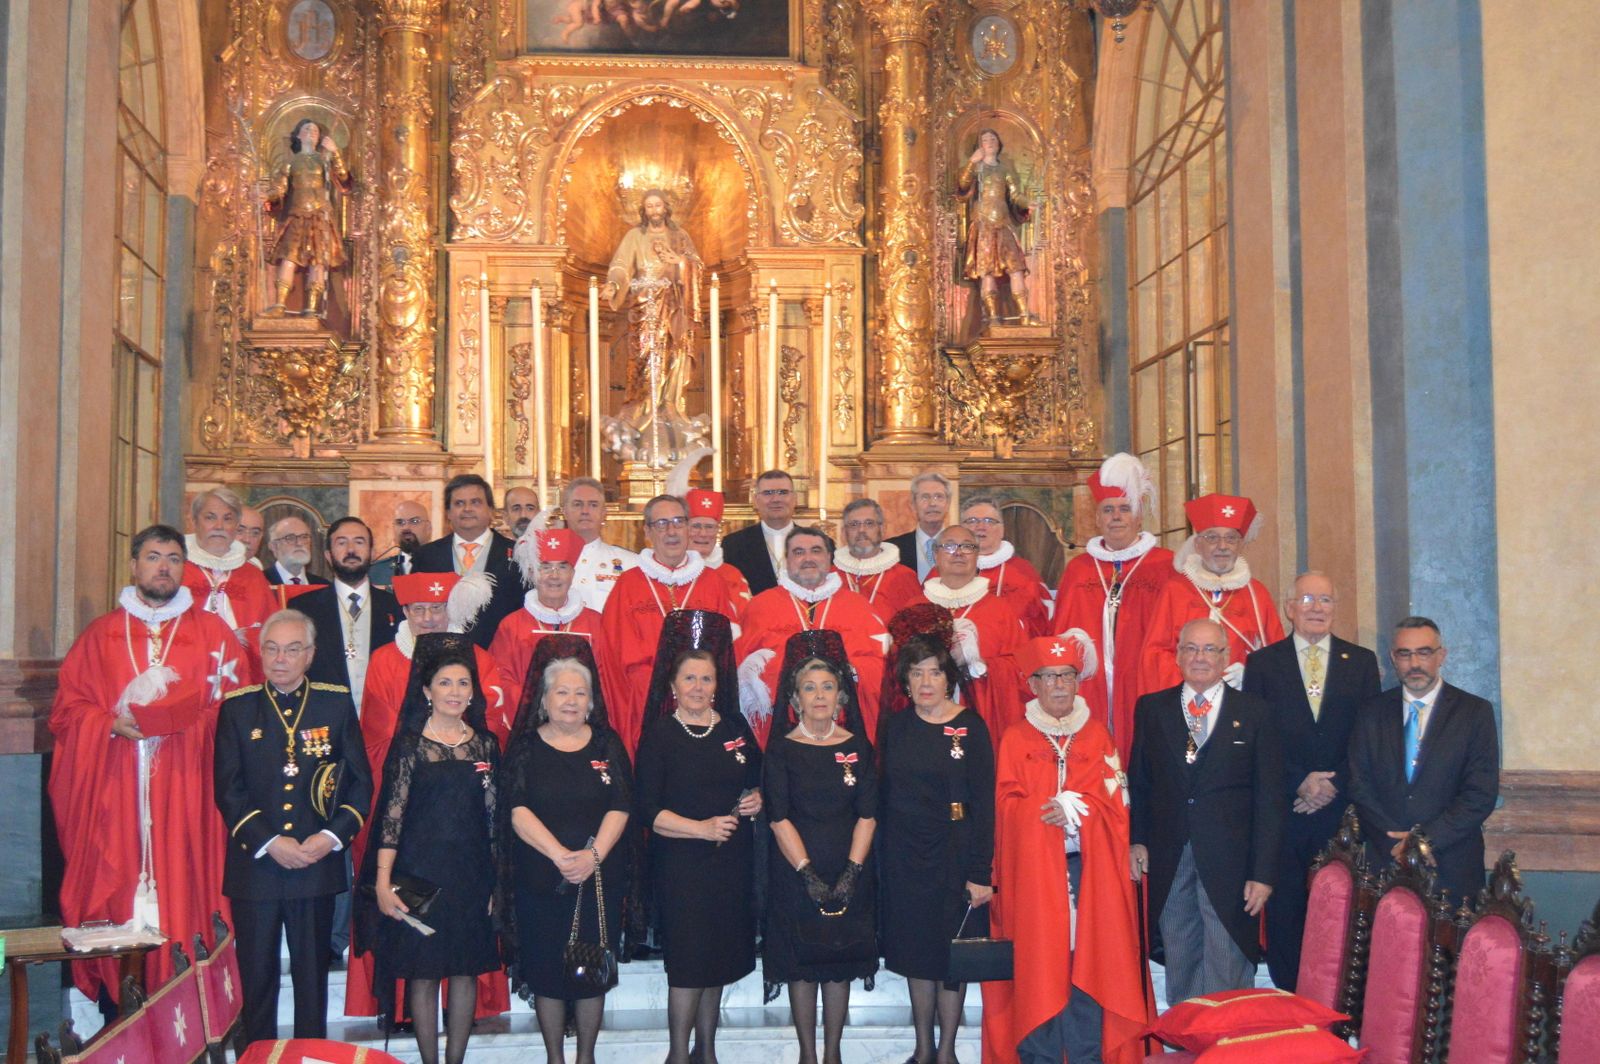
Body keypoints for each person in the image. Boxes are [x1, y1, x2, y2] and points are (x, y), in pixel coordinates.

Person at [48, 525, 245, 1006]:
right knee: (114, 880)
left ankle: (190, 1000)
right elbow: (67, 712)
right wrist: (110, 724)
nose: (163, 567)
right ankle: (121, 999)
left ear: (185, 568)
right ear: (134, 565)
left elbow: (239, 710)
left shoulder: (212, 634)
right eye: (154, 557)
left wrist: (186, 721)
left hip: (187, 788)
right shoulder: (100, 635)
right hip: (115, 790)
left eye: (174, 558)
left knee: (187, 886)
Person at [344, 575, 516, 1023]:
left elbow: (492, 726)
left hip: (468, 838)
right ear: (404, 612)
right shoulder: (385, 660)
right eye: (417, 609)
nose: (427, 618)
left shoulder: (477, 658)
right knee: (417, 954)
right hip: (410, 823)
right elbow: (377, 738)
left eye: (435, 609)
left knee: (462, 953)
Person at [983, 633, 1151, 1064]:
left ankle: (1086, 1055)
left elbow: (1117, 805)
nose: (1059, 684)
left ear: (1079, 682)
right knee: (1039, 972)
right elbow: (1005, 808)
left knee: (1088, 969)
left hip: (1089, 874)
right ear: (1033, 684)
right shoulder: (1017, 739)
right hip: (1036, 879)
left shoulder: (1097, 737)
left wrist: (1084, 814)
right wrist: (1045, 813)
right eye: (1050, 676)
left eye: (1068, 676)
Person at [215, 609, 372, 1042]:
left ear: (310, 655)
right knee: (257, 980)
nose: (280, 659)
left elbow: (360, 785)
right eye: (271, 648)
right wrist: (270, 842)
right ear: (259, 653)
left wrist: (328, 839)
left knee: (311, 984)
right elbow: (228, 791)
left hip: (315, 866)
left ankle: (309, 1055)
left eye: (292, 649)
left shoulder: (334, 704)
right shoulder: (238, 709)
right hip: (256, 869)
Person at [360, 635, 503, 1064]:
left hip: (471, 876)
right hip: (418, 876)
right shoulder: (408, 746)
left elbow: (495, 822)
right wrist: (384, 882)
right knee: (423, 974)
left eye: (463, 683)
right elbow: (391, 818)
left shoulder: (486, 745)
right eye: (445, 683)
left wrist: (497, 882)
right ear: (426, 691)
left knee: (464, 970)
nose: (456, 692)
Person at [1129, 618, 1285, 1004]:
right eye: (1191, 649)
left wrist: (1263, 873)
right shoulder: (1152, 708)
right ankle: (1188, 1038)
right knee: (1180, 949)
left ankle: (1224, 1043)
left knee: (1226, 955)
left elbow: (1270, 798)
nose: (1200, 657)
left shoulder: (1255, 712)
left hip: (1232, 860)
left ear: (1227, 657)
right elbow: (1141, 782)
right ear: (1178, 656)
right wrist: (1137, 840)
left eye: (1210, 649)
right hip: (1170, 854)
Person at [634, 611, 763, 1064]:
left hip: (730, 866)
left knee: (719, 960)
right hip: (681, 868)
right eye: (689, 678)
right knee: (689, 966)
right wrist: (700, 829)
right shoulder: (661, 735)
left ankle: (706, 1052)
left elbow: (756, 779)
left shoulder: (734, 729)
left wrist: (755, 799)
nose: (698, 687)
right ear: (672, 685)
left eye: (706, 679)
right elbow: (647, 811)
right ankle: (676, 1054)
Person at [1243, 572, 1381, 990]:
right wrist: (1298, 782)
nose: (1317, 608)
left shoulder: (1361, 662)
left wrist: (1333, 784)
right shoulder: (1264, 663)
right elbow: (1257, 738)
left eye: (1325, 600)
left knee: (1339, 911)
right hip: (1286, 811)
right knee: (1287, 911)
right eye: (1307, 599)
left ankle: (1337, 1005)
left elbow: (1369, 735)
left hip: (1340, 814)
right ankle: (1289, 998)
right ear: (1289, 608)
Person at [501, 636, 632, 1064]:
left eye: (581, 693)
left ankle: (586, 1057)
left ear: (591, 702)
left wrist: (592, 858)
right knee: (546, 971)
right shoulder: (524, 748)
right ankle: (555, 1057)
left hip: (598, 879)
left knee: (591, 971)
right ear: (544, 699)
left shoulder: (606, 744)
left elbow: (621, 805)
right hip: (542, 878)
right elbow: (517, 810)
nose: (572, 701)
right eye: (562, 691)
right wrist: (560, 856)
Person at [878, 632, 995, 1064]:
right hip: (906, 854)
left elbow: (985, 803)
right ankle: (922, 1049)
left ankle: (946, 1051)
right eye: (916, 673)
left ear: (949, 679)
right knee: (915, 951)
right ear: (905, 682)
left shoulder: (971, 726)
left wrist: (980, 871)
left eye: (934, 672)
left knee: (952, 956)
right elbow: (884, 794)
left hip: (956, 852)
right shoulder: (896, 726)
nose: (926, 681)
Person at [763, 631, 878, 1064]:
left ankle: (834, 1055)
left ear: (841, 696)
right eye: (809, 688)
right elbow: (778, 817)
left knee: (838, 963)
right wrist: (807, 874)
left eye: (827, 687)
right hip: (797, 872)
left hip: (849, 867)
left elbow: (868, 814)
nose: (819, 695)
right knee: (802, 965)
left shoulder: (857, 747)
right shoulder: (780, 750)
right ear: (794, 698)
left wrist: (850, 872)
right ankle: (807, 1056)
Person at [1348, 616, 1500, 906]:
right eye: (1405, 654)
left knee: (1450, 952)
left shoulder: (1474, 713)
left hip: (1451, 864)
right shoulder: (1371, 712)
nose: (1414, 663)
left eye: (1424, 652)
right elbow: (1358, 783)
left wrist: (1425, 840)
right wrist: (1397, 842)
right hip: (1386, 860)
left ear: (1441, 656)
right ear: (1394, 658)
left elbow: (1480, 793)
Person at [1052, 453, 1174, 761]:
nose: (1116, 517)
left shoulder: (1165, 566)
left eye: (1124, 509)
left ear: (1139, 516)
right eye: (1108, 510)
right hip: (1090, 688)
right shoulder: (1078, 569)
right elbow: (1058, 635)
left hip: (1142, 682)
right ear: (1096, 517)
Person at [599, 494, 738, 753]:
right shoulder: (628, 585)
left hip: (702, 699)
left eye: (678, 521)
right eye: (661, 524)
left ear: (688, 527)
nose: (671, 531)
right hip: (645, 701)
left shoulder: (712, 582)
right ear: (648, 532)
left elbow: (725, 655)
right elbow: (611, 657)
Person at [735, 526, 890, 745]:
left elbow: (883, 665)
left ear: (829, 557)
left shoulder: (859, 606)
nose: (808, 558)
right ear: (786, 560)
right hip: (779, 728)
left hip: (845, 724)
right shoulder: (760, 606)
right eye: (798, 552)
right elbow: (744, 669)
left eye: (816, 551)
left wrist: (848, 673)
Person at [1139, 493, 1285, 697]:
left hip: (1241, 704)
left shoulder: (1257, 593)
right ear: (1197, 545)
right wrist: (1194, 684)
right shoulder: (1175, 590)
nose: (1223, 546)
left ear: (1240, 545)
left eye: (1231, 538)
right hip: (1184, 701)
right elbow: (1155, 655)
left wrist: (1252, 676)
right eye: (1212, 538)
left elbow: (1278, 657)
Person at [603, 188, 704, 438]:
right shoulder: (634, 236)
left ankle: (669, 405)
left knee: (673, 354)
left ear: (666, 208)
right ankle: (643, 409)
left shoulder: (680, 236)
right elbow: (620, 266)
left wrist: (679, 262)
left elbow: (696, 265)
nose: (655, 211)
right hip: (644, 305)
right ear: (644, 210)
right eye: (650, 206)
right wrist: (613, 285)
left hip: (673, 306)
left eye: (658, 206)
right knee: (644, 357)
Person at [920, 524, 1028, 750]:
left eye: (967, 547)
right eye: (949, 546)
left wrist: (981, 665)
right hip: (925, 720)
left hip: (982, 715)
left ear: (977, 556)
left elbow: (1022, 669)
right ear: (936, 555)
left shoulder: (1000, 610)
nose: (958, 552)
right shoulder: (915, 607)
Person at [292, 517, 402, 711]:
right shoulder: (302, 609)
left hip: (381, 723)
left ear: (372, 553)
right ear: (328, 555)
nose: (351, 550)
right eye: (341, 542)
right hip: (322, 721)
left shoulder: (396, 607)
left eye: (359, 542)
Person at [410, 474, 525, 648]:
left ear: (491, 510)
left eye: (475, 502)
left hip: (500, 656)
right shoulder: (426, 556)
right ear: (448, 513)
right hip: (441, 656)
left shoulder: (517, 555)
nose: (467, 509)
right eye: (459, 503)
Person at [492, 527, 607, 696]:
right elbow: (501, 679)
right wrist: (534, 710)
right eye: (545, 567)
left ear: (572, 574)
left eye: (562, 567)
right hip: (526, 719)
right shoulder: (511, 626)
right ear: (532, 573)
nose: (554, 576)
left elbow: (605, 680)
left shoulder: (596, 623)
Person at [184, 487, 277, 681]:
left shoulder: (253, 576)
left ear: (235, 525)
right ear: (193, 522)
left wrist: (241, 639)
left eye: (227, 519)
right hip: (186, 674)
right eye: (210, 517)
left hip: (241, 676)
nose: (219, 526)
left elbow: (272, 634)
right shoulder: (177, 569)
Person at [261, 117, 351, 318]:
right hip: (297, 213)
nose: (311, 132)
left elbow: (343, 177)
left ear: (320, 138)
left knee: (317, 261)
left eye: (315, 130)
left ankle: (311, 307)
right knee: (289, 257)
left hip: (320, 215)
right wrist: (267, 196)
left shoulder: (323, 160)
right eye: (307, 129)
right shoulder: (291, 162)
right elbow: (280, 188)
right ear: (298, 135)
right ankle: (279, 304)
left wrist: (335, 152)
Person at [956, 128, 1035, 327]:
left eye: (993, 138)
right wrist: (972, 163)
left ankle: (1024, 314)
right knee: (987, 271)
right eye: (985, 139)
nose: (989, 141)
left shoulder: (1005, 169)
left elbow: (1015, 195)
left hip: (1003, 223)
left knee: (1016, 268)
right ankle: (992, 318)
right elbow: (963, 185)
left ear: (998, 144)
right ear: (980, 146)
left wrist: (1027, 203)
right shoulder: (976, 168)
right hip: (983, 225)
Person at [961, 495, 1052, 637]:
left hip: (1012, 655)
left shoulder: (1023, 572)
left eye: (989, 521)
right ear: (960, 529)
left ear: (1002, 530)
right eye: (972, 521)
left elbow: (1043, 623)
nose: (980, 527)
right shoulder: (945, 569)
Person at [833, 498, 923, 619]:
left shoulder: (904, 576)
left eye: (869, 523)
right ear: (843, 533)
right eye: (854, 524)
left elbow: (917, 627)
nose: (861, 530)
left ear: (882, 529)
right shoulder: (829, 577)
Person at [562, 477, 639, 613]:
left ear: (604, 513)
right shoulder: (545, 561)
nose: (585, 511)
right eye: (577, 504)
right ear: (564, 511)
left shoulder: (630, 563)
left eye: (593, 505)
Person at [719, 469, 797, 596]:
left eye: (783, 492)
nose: (776, 499)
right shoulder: (733, 545)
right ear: (755, 500)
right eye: (768, 493)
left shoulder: (818, 543)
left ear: (794, 498)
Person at [686, 487, 753, 618]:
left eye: (710, 527)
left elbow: (745, 620)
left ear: (717, 530)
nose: (703, 534)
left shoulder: (733, 575)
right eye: (696, 526)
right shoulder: (669, 572)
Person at [888, 471, 953, 582]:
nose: (932, 503)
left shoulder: (964, 547)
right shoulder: (891, 549)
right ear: (913, 505)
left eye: (939, 497)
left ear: (948, 504)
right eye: (925, 497)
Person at [371, 500, 431, 585]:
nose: (406, 527)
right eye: (400, 522)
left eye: (414, 521)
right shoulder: (376, 571)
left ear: (428, 528)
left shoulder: (445, 566)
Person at [267, 515, 329, 587]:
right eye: (290, 538)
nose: (299, 543)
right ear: (274, 546)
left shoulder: (323, 586)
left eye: (304, 537)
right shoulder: (260, 583)